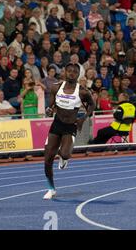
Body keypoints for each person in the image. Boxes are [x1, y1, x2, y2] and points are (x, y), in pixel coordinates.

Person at [43, 63, 95, 200]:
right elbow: (51, 104)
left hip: (71, 126)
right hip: (57, 125)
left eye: (75, 72)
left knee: (65, 154)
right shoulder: (56, 87)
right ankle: (51, 189)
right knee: (47, 158)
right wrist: (49, 110)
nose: (72, 73)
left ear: (78, 74)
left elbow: (92, 104)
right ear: (65, 72)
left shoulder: (82, 91)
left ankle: (63, 157)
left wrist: (83, 118)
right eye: (69, 71)